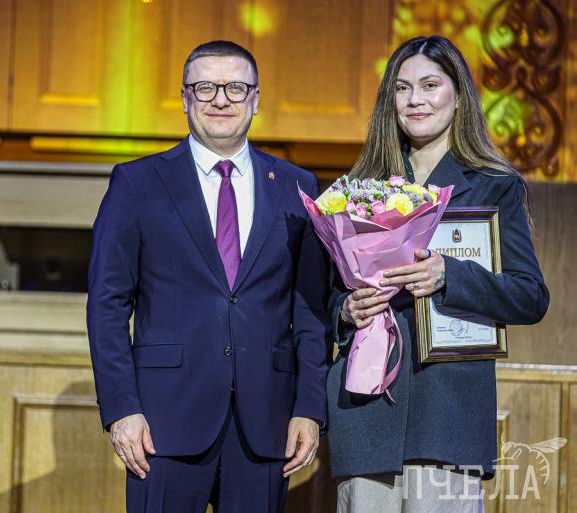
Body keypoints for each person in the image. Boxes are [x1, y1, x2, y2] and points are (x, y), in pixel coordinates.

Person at [87, 40, 331, 513]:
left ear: (256, 100)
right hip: (161, 424)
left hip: (267, 424)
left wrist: (308, 407)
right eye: (205, 88)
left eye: (235, 88)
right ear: (185, 98)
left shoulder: (297, 185)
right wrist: (121, 408)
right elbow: (107, 305)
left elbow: (310, 310)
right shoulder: (137, 183)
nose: (220, 99)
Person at [325, 35, 549, 512]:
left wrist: (450, 275)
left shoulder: (494, 185)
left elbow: (530, 296)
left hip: (449, 418)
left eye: (430, 85)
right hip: (367, 413)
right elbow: (326, 297)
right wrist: (345, 309)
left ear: (458, 94)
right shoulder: (362, 188)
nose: (415, 100)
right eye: (402, 88)